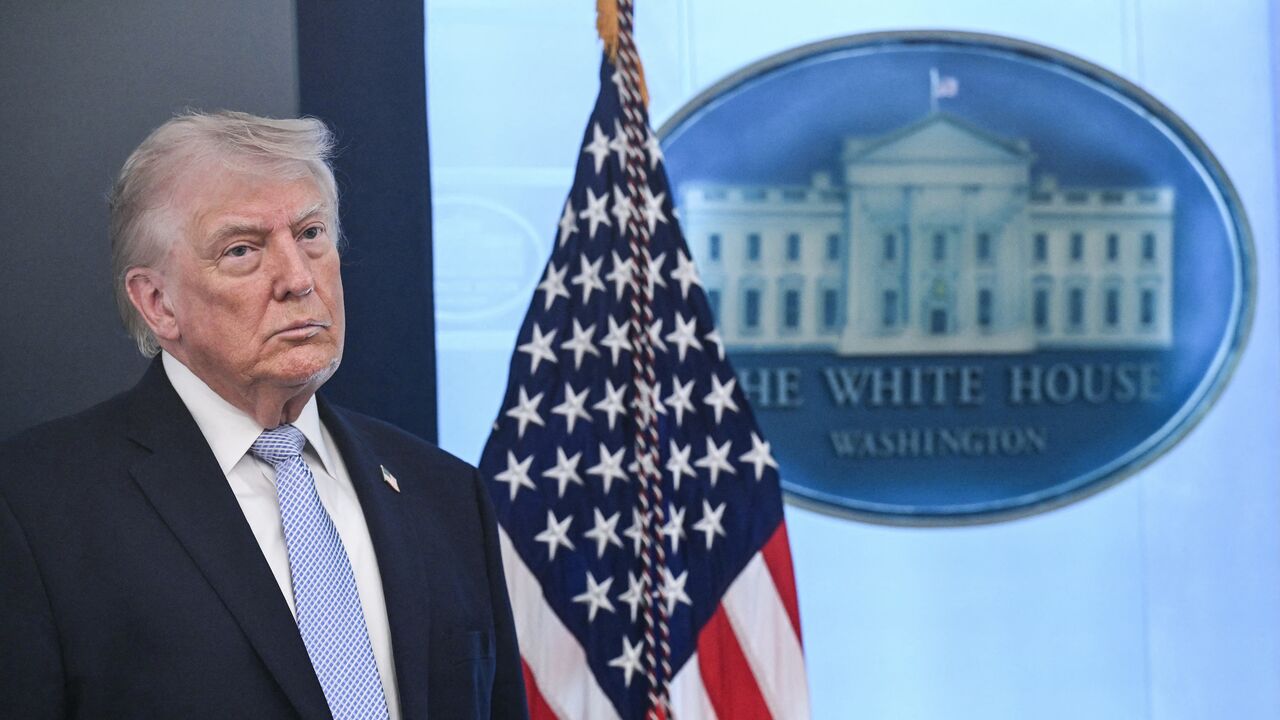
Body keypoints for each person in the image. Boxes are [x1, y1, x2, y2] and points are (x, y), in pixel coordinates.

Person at [0, 111, 528, 719]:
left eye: (311, 234)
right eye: (243, 249)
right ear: (157, 302)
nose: (298, 279)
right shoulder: (37, 510)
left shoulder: (445, 492)